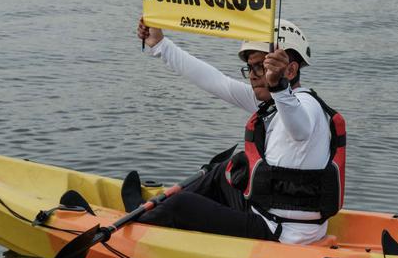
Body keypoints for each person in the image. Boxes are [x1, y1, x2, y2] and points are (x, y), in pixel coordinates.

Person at [133, 17, 346, 245]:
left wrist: (279, 87)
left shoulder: (306, 107)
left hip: (282, 235)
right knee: (223, 171)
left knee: (179, 205)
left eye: (261, 67)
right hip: (270, 217)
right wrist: (160, 45)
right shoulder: (275, 102)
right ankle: (152, 212)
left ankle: (141, 225)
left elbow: (300, 129)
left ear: (291, 70)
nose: (253, 75)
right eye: (250, 67)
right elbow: (215, 81)